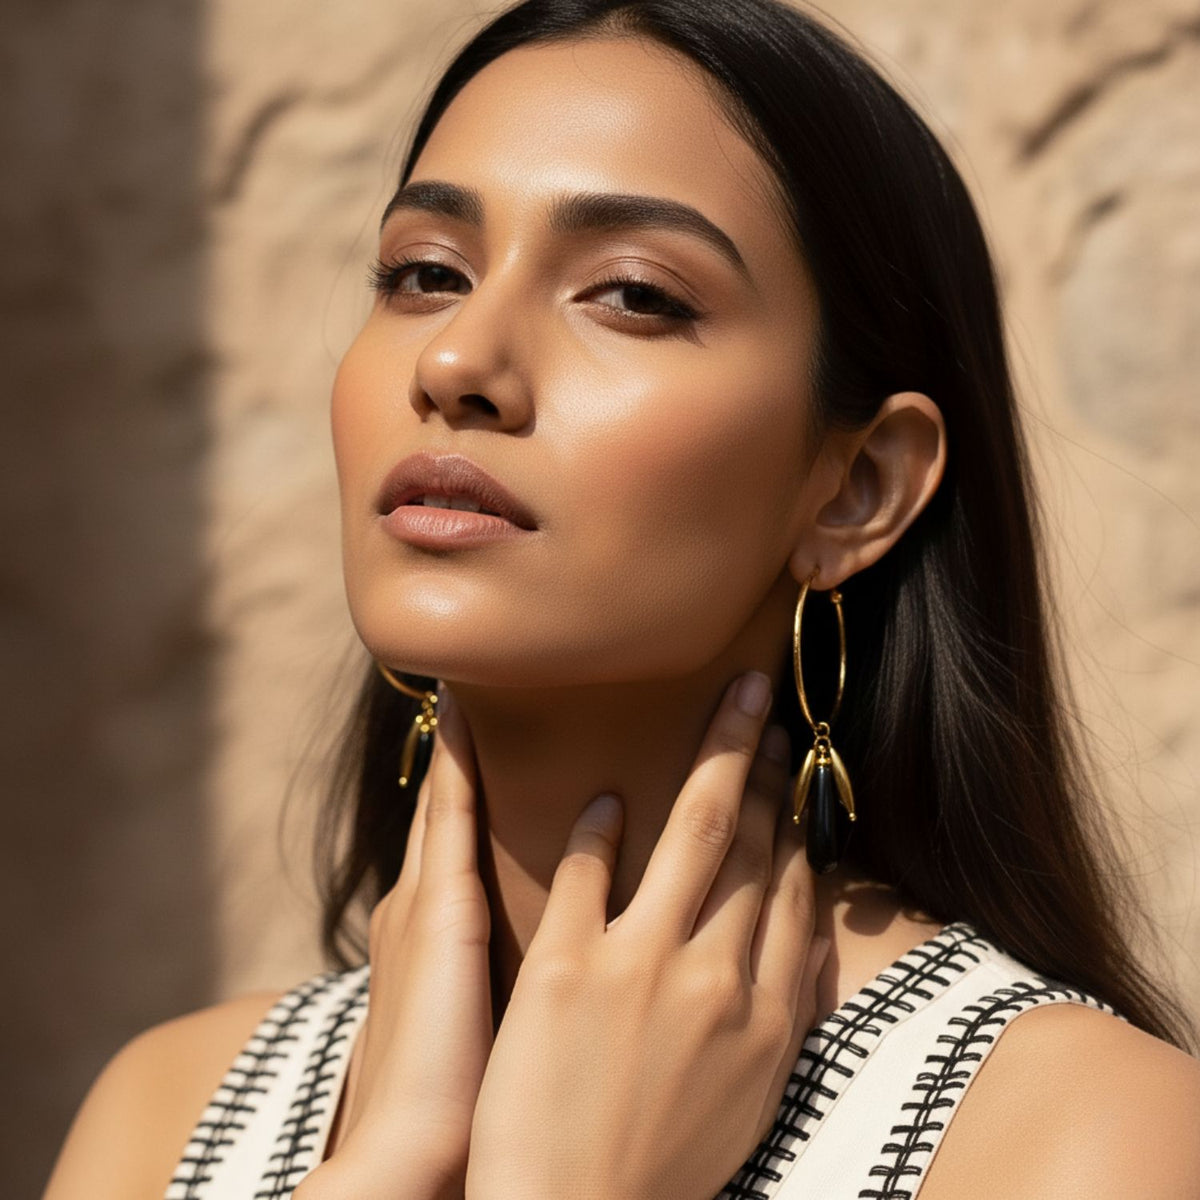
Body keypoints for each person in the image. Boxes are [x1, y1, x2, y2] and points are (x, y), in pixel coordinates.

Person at [44, 0, 1200, 1197]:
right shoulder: (168, 1117)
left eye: (634, 294)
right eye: (424, 274)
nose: (455, 364)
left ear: (854, 487)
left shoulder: (1076, 1137)